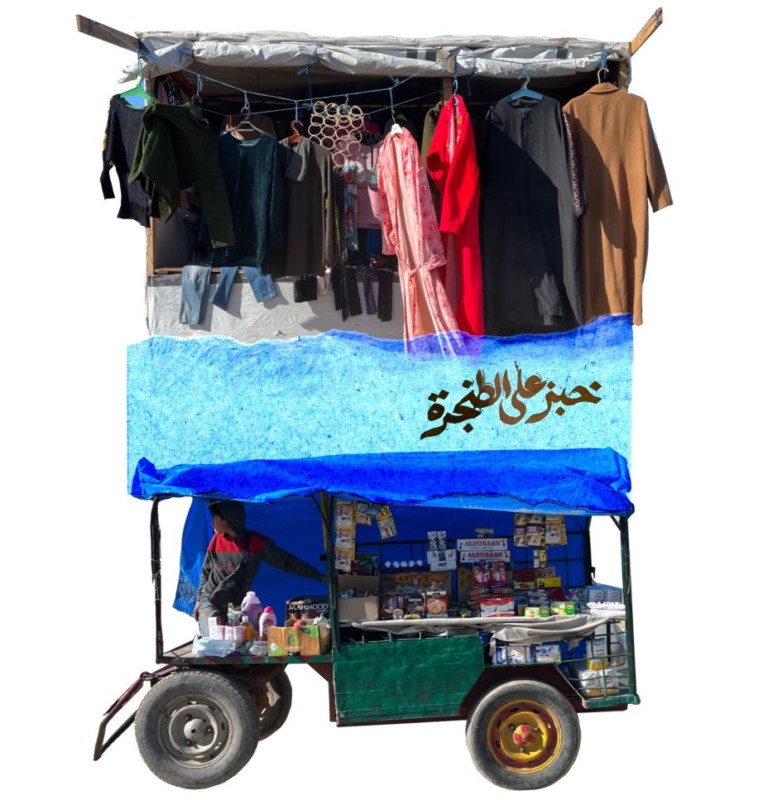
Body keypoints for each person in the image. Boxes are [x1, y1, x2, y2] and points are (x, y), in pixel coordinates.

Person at [194, 499, 324, 636]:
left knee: (238, 640)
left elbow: (287, 562)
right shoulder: (216, 540)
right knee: (215, 637)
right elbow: (205, 573)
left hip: (237, 605)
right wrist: (199, 601)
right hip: (210, 602)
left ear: (227, 519)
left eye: (214, 517)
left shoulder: (256, 543)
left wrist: (318, 576)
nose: (212, 522)